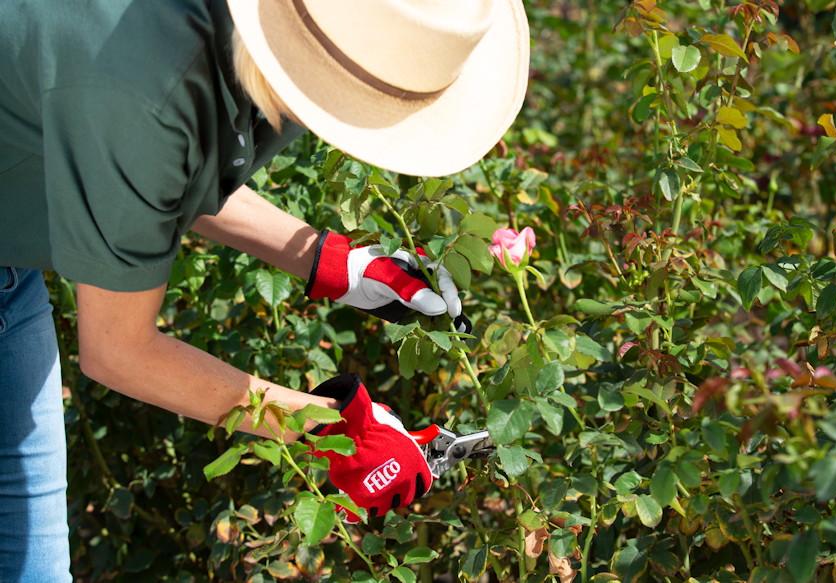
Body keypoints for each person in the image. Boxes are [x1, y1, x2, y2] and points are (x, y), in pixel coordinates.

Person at [0, 0, 529, 579]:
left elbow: (147, 172)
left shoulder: (224, 36)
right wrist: (335, 428)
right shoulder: (141, 83)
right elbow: (118, 349)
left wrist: (333, 263)